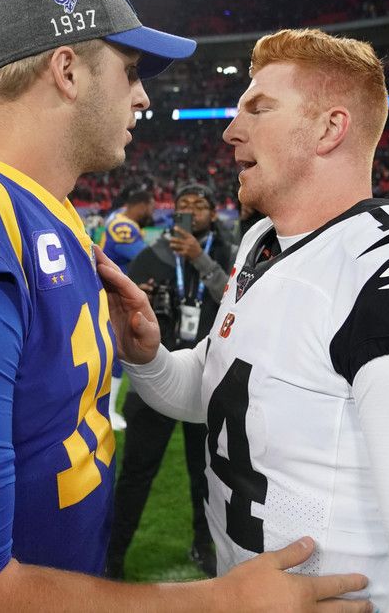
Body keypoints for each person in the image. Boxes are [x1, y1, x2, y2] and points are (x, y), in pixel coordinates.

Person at [0, 0, 370, 612]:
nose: (143, 98)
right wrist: (221, 603)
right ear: (68, 71)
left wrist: (145, 356)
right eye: (130, 71)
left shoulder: (56, 218)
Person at [100, 28, 389, 612]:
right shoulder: (261, 243)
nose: (230, 131)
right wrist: (149, 358)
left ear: (329, 129)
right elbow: (217, 391)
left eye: (258, 109)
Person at [107, 183, 234, 579]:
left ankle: (204, 545)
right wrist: (141, 298)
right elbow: (122, 306)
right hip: (155, 376)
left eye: (200, 205)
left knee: (207, 474)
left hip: (208, 377)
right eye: (184, 205)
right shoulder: (151, 255)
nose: (191, 211)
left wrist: (199, 259)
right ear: (172, 212)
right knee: (136, 473)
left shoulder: (229, 253)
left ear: (214, 213)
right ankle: (113, 556)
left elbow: (235, 299)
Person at [98, 184, 155, 429]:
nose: (152, 212)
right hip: (114, 296)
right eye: (150, 207)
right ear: (141, 206)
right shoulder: (124, 226)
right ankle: (108, 411)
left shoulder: (118, 216)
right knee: (117, 353)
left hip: (111, 292)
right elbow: (144, 257)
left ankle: (107, 410)